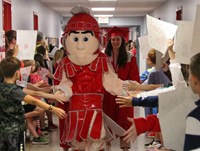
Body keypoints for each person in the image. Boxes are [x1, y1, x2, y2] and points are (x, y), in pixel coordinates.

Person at [54, 6, 129, 151]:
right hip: (75, 110)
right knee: (79, 144)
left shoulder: (102, 59)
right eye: (75, 38)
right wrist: (60, 92)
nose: (80, 45)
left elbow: (112, 83)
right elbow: (65, 85)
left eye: (86, 38)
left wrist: (128, 91)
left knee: (95, 143)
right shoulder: (66, 62)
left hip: (95, 110)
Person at [0, 56, 67, 151]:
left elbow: (35, 92)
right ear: (17, 73)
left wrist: (54, 96)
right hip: (14, 131)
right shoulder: (14, 90)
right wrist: (53, 109)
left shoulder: (4, 86)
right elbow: (34, 100)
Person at [103, 26, 140, 151]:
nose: (115, 42)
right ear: (109, 41)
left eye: (118, 39)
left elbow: (135, 77)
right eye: (113, 40)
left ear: (122, 40)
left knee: (124, 121)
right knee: (107, 120)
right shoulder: (104, 57)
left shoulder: (130, 57)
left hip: (124, 94)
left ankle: (125, 148)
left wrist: (125, 86)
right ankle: (106, 145)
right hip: (108, 94)